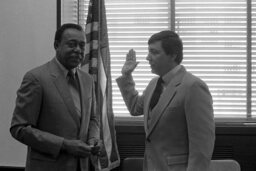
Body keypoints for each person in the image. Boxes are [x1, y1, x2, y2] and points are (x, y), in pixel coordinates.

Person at [116, 30, 215, 171]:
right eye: (148, 52)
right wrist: (126, 76)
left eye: (154, 52)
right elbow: (135, 108)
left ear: (173, 55)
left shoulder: (193, 86)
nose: (147, 58)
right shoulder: (154, 84)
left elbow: (202, 145)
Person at [10, 23, 102, 171]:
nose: (78, 50)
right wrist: (64, 144)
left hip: (83, 166)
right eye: (72, 44)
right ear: (56, 45)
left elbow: (93, 118)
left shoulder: (88, 80)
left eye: (82, 45)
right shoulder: (36, 78)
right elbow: (19, 128)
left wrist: (93, 139)